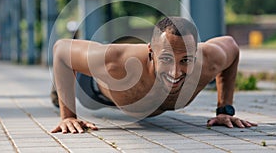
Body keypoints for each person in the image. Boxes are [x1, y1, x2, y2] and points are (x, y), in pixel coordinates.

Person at [51, 16, 257, 134]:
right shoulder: (113, 61)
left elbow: (232, 46)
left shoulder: (210, 59)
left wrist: (225, 110)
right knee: (73, 82)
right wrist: (68, 116)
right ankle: (56, 90)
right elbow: (61, 50)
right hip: (94, 87)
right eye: (166, 59)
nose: (176, 72)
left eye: (186, 60)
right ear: (151, 51)